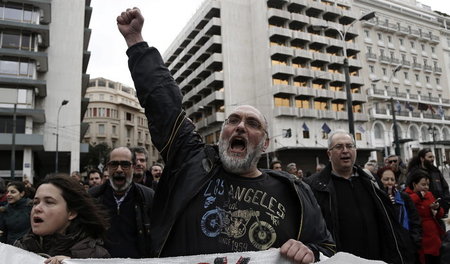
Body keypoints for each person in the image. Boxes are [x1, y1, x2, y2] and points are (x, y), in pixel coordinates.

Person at [117, 7, 335, 263]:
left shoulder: (295, 192)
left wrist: (312, 251)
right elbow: (163, 105)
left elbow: (326, 246)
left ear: (264, 143)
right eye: (233, 120)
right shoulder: (191, 163)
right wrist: (136, 43)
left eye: (252, 123)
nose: (240, 126)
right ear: (222, 135)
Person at [304, 130, 415, 263]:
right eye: (339, 147)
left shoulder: (371, 180)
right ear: (329, 154)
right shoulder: (314, 186)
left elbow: (388, 225)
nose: (345, 150)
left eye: (350, 146)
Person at [14, 174, 110, 263]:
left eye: (49, 202)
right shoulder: (19, 250)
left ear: (71, 213)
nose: (37, 208)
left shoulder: (95, 256)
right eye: (35, 202)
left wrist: (75, 262)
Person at [89, 147, 154, 258]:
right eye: (114, 164)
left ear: (133, 167)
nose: (119, 170)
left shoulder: (148, 197)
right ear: (107, 168)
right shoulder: (92, 197)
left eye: (125, 164)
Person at [377, 166, 422, 259]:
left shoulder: (404, 197)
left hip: (407, 247)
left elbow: (415, 221)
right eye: (386, 179)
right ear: (379, 180)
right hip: (387, 250)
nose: (389, 182)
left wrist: (414, 242)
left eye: (392, 179)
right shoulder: (376, 199)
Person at [405, 169, 445, 264]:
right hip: (421, 238)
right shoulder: (407, 195)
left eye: (428, 184)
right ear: (414, 184)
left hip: (434, 237)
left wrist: (437, 208)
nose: (426, 187)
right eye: (423, 185)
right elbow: (408, 203)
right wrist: (418, 195)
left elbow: (440, 214)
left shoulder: (429, 194)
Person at [407, 148, 450, 217]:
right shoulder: (414, 173)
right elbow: (409, 191)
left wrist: (446, 203)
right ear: (422, 158)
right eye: (429, 157)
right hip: (424, 212)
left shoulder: (436, 171)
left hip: (440, 210)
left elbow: (445, 187)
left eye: (433, 157)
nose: (432, 159)